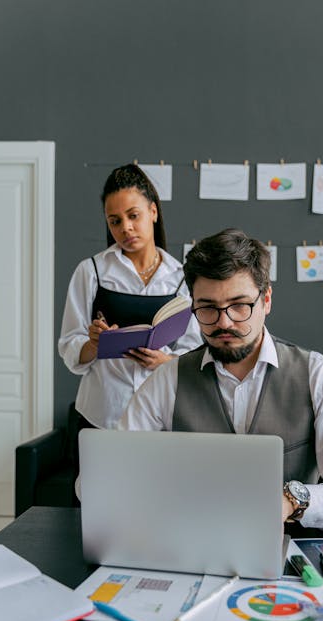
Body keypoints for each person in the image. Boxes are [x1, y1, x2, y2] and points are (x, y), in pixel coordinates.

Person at [118, 227, 323, 532]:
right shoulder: (167, 381)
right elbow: (111, 475)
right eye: (207, 308)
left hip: (290, 550)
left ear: (266, 300)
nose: (224, 322)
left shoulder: (320, 375)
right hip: (189, 543)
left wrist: (292, 500)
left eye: (239, 305)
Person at [58, 164, 202, 429]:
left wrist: (165, 361)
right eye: (115, 221)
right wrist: (94, 344)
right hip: (101, 414)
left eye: (133, 215)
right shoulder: (91, 271)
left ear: (153, 212)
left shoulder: (181, 276)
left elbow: (193, 351)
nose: (126, 228)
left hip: (160, 412)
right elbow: (69, 344)